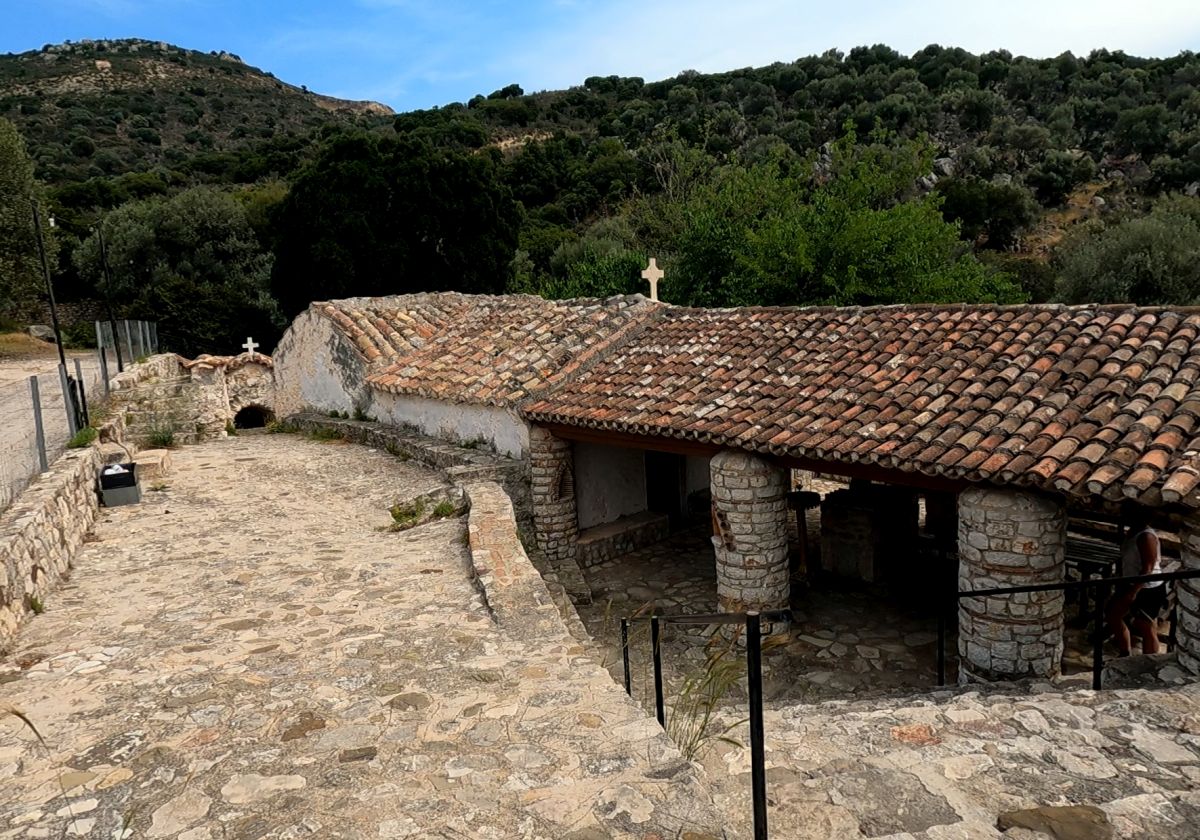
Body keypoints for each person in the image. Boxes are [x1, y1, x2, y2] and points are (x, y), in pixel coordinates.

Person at [1106, 508, 1167, 656]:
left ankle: (1149, 661)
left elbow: (1148, 568)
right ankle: (1125, 652)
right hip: (1130, 581)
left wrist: (1133, 592)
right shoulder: (1133, 532)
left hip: (1147, 587)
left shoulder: (1146, 537)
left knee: (1145, 626)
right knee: (1113, 614)